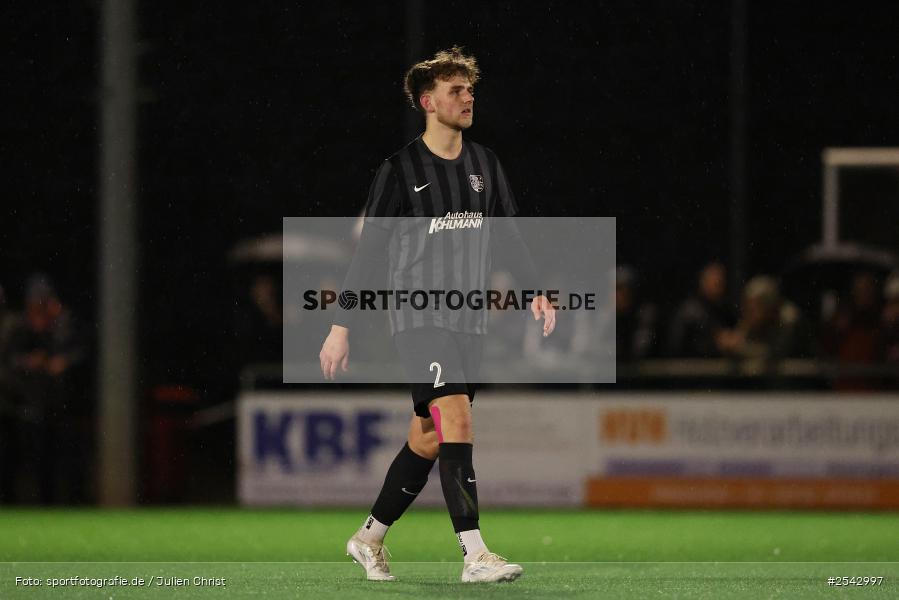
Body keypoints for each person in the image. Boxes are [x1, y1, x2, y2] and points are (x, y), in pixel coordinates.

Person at [318, 47, 555, 583]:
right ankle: (475, 554)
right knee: (457, 417)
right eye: (455, 90)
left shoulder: (485, 164)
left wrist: (536, 290)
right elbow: (370, 253)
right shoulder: (399, 170)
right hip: (418, 316)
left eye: (470, 90)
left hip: (469, 320)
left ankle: (369, 536)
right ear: (428, 102)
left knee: (428, 435)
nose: (467, 98)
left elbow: (509, 236)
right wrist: (340, 325)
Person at [667, 261, 736, 357]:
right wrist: (715, 344)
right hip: (690, 368)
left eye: (721, 281)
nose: (719, 285)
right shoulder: (689, 311)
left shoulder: (723, 310)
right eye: (715, 282)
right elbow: (678, 346)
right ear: (703, 281)